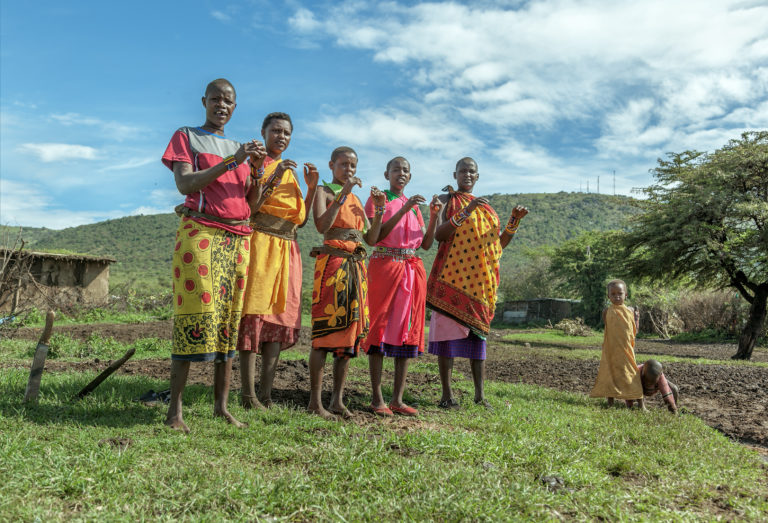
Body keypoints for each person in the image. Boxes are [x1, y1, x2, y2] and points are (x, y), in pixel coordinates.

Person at [162, 78, 266, 432]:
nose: (222, 105)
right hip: (201, 233)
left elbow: (251, 203)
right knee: (195, 315)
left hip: (238, 239)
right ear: (204, 101)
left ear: (235, 108)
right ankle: (175, 411)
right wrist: (231, 161)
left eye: (229, 101)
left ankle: (221, 407)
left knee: (228, 322)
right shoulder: (187, 136)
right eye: (216, 99)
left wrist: (258, 172)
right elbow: (186, 184)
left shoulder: (241, 147)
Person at [425, 157, 528, 409]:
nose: (467, 175)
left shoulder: (488, 209)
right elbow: (439, 235)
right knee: (447, 340)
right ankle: (446, 396)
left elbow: (497, 245)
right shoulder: (446, 201)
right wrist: (466, 212)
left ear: (478, 176)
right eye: (463, 171)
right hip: (451, 280)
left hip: (481, 285)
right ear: (455, 174)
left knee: (478, 339)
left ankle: (480, 396)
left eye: (472, 172)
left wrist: (514, 222)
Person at [236, 112, 319, 410]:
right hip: (261, 245)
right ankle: (248, 395)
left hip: (287, 249)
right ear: (263, 132)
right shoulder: (256, 164)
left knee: (278, 318)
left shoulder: (291, 172)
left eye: (286, 133)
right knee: (253, 316)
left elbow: (300, 219)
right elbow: (251, 207)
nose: (281, 137)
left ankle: (267, 394)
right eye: (276, 131)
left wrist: (310, 189)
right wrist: (272, 174)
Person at [308, 146, 386, 419]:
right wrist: (341, 194)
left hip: (355, 268)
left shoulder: (355, 198)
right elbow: (321, 225)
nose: (349, 170)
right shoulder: (324, 191)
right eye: (343, 165)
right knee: (324, 332)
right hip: (332, 266)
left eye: (353, 165)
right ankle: (314, 402)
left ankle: (337, 400)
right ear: (332, 165)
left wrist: (379, 210)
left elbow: (371, 239)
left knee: (348, 335)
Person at [362, 157, 443, 417]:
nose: (401, 173)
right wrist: (402, 207)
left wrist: (434, 216)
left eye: (405, 170)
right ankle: (377, 398)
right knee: (379, 327)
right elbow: (376, 237)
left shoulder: (416, 208)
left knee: (407, 331)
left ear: (410, 176)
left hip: (411, 268)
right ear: (387, 173)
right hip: (385, 266)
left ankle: (397, 398)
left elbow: (427, 244)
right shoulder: (378, 199)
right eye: (396, 169)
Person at [590, 279, 643, 407]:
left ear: (626, 295)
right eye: (613, 294)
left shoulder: (630, 310)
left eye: (620, 293)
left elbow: (634, 329)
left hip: (626, 349)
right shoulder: (606, 311)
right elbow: (608, 328)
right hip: (611, 349)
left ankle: (641, 404)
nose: (617, 296)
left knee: (631, 373)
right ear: (608, 296)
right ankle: (610, 402)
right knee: (610, 373)